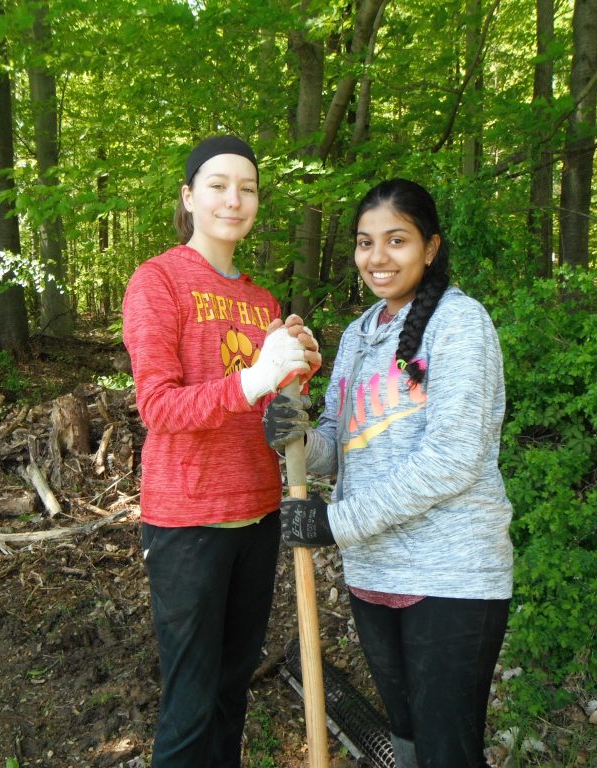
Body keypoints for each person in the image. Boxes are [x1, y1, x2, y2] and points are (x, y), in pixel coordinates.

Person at [263, 178, 513, 768]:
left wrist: (334, 522)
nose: (378, 258)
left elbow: (453, 459)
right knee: (406, 743)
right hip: (373, 569)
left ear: (430, 247)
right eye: (365, 242)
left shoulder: (460, 324)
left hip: (450, 575)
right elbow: (340, 447)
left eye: (396, 240)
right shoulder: (357, 336)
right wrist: (297, 438)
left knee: (447, 752)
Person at [122, 135, 321, 768]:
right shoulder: (157, 281)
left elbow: (266, 415)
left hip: (258, 516)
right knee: (190, 706)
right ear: (189, 197)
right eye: (217, 184)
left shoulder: (262, 302)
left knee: (233, 694)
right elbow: (159, 407)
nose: (234, 199)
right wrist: (254, 378)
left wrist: (295, 371)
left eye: (248, 187)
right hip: (187, 523)